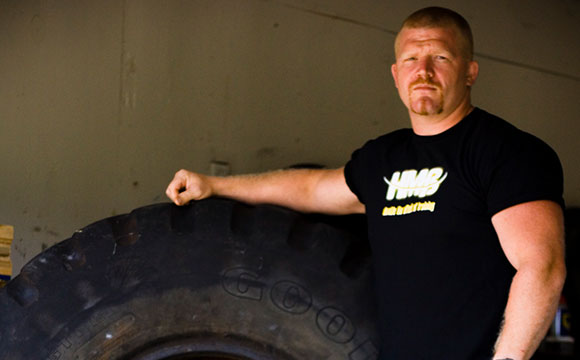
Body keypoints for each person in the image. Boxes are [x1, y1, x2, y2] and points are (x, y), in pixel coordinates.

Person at [166, 7, 566, 360]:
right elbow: (309, 189)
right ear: (396, 75)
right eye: (411, 58)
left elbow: (541, 267)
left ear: (470, 71)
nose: (423, 71)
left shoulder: (507, 152)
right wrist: (215, 186)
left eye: (440, 57)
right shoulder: (382, 158)